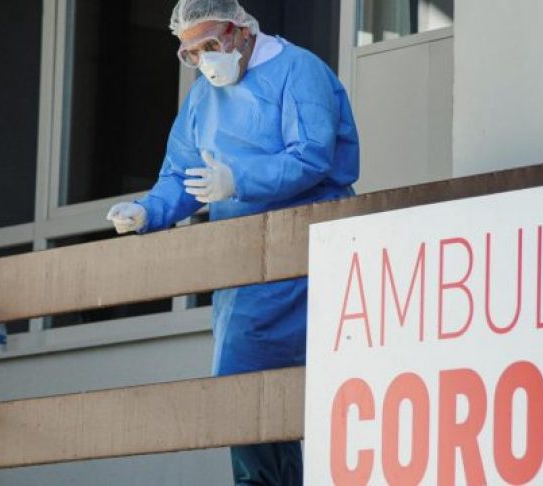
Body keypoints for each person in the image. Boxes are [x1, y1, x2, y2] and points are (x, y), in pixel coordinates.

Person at [105, 0, 360, 484]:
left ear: (240, 30)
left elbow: (312, 156)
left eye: (210, 44)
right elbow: (182, 175)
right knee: (244, 397)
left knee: (329, 388)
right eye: (191, 53)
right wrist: (149, 210)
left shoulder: (298, 70)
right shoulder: (202, 99)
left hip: (312, 250)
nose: (204, 60)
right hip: (244, 268)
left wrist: (239, 179)